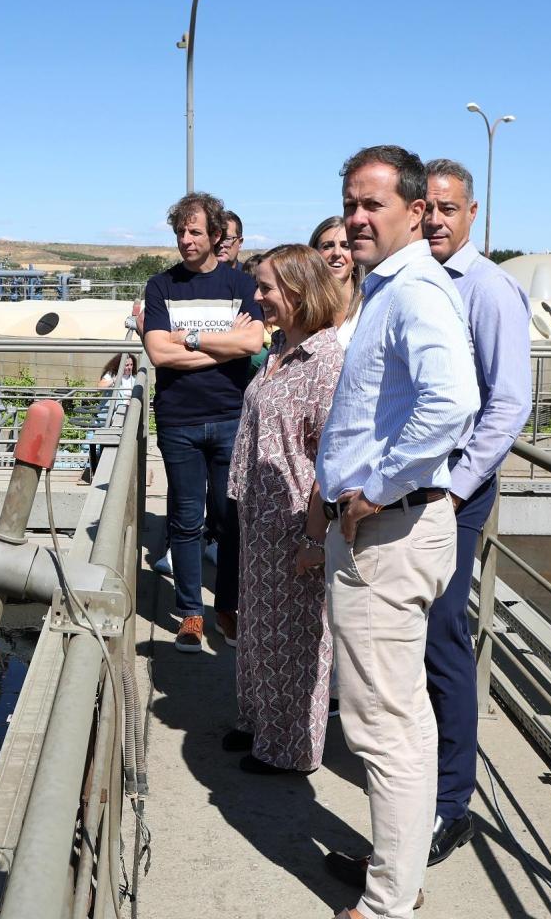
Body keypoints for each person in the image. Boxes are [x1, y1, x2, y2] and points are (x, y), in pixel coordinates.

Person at [315, 146, 478, 919]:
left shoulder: (415, 293)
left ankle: (387, 904)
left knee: (384, 728)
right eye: (350, 203)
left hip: (388, 533)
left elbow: (453, 404)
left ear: (415, 213)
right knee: (399, 721)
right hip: (391, 528)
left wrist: (375, 489)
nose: (355, 218)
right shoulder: (390, 288)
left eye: (371, 204)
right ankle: (396, 873)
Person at [418, 157, 533, 864]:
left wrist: (456, 489)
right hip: (412, 486)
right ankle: (418, 779)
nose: (435, 219)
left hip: (452, 493)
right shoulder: (413, 279)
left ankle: (451, 803)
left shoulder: (487, 289)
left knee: (441, 634)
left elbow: (509, 403)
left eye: (447, 208)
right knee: (410, 635)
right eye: (426, 208)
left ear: (472, 213)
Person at [223, 244, 345, 774]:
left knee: (294, 640)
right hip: (258, 516)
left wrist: (315, 539)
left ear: (298, 291)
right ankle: (259, 722)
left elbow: (332, 459)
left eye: (267, 287)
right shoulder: (279, 349)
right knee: (258, 630)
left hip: (295, 521)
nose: (257, 296)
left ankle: (290, 748)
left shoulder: (326, 362)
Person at [142, 192, 263, 653]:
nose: (186, 240)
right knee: (187, 520)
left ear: (216, 235)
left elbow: (251, 343)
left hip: (231, 418)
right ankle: (191, 612)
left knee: (230, 520)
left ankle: (227, 608)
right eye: (180, 232)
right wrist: (221, 348)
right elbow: (158, 353)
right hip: (179, 422)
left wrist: (189, 340)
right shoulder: (161, 286)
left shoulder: (240, 284)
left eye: (195, 232)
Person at [308, 215, 359, 344]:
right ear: (314, 255)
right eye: (327, 246)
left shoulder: (371, 305)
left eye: (346, 246)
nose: (336, 253)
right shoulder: (303, 309)